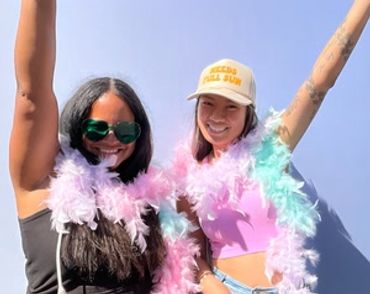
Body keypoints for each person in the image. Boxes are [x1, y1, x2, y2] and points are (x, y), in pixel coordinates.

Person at [174, 1, 370, 293]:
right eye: (208, 104)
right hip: (225, 288)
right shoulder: (189, 178)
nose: (216, 116)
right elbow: (190, 246)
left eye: (231, 106)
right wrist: (207, 279)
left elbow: (320, 82)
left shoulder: (273, 146)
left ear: (248, 112)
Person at [9, 1, 198, 293]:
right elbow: (31, 94)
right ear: (75, 126)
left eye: (124, 131)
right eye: (97, 128)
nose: (111, 139)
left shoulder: (150, 210)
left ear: (139, 136)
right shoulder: (43, 183)